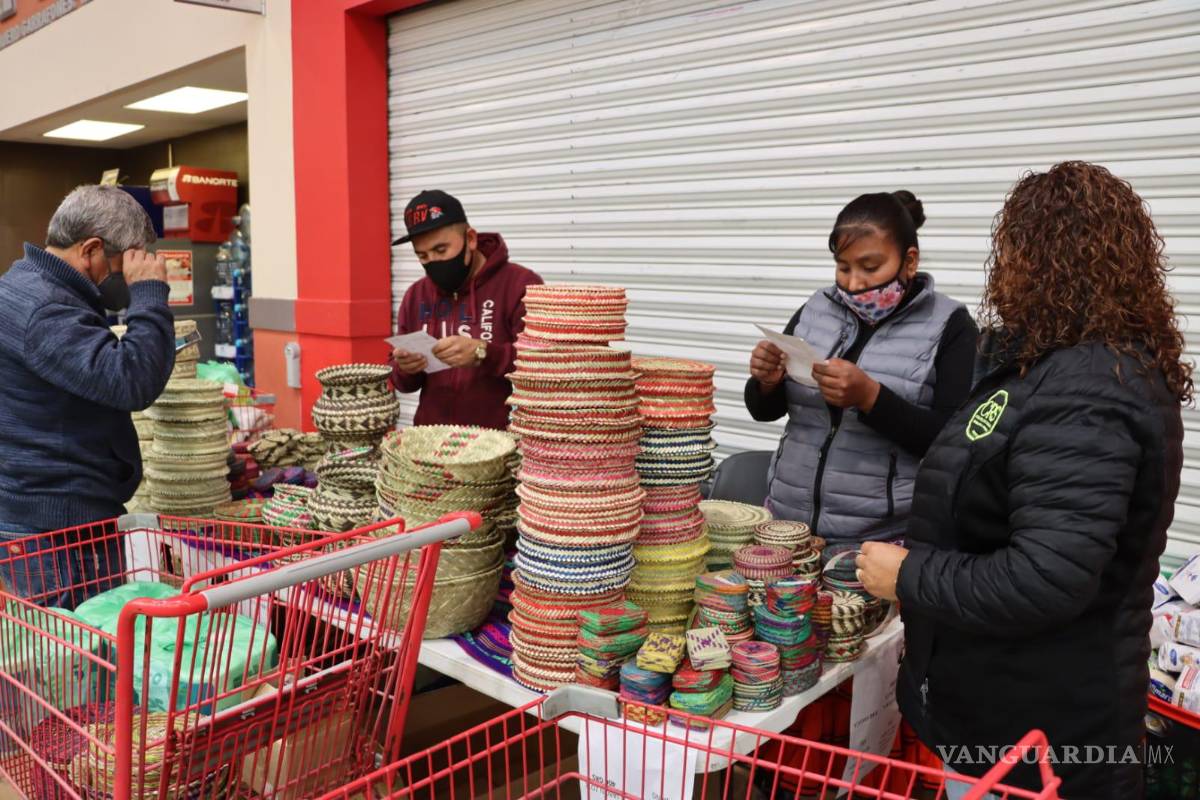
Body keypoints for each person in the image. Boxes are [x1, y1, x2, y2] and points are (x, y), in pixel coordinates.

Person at [857, 162, 1189, 800]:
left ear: (1038, 262)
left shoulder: (1089, 388)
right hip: (998, 713)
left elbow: (1048, 576)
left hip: (1043, 742)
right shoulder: (1043, 368)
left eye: (1012, 250)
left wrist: (909, 575)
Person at [746, 191, 978, 550]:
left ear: (909, 261)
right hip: (788, 532)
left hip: (879, 545)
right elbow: (766, 411)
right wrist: (766, 382)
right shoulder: (815, 309)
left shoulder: (950, 326)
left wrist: (871, 398)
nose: (854, 284)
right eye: (843, 267)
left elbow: (953, 443)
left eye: (870, 268)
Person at [0, 185, 175, 608]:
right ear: (91, 249)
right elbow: (133, 382)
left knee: (49, 659)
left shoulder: (25, 285)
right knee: (77, 659)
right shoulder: (44, 308)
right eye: (126, 263)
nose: (129, 276)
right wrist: (150, 294)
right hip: (59, 530)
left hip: (40, 515)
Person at [389, 190, 542, 429]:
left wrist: (484, 353)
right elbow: (403, 383)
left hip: (501, 446)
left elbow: (544, 367)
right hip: (432, 443)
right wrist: (405, 368)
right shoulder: (416, 296)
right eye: (422, 255)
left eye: (441, 250)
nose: (433, 262)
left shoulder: (520, 285)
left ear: (470, 238)